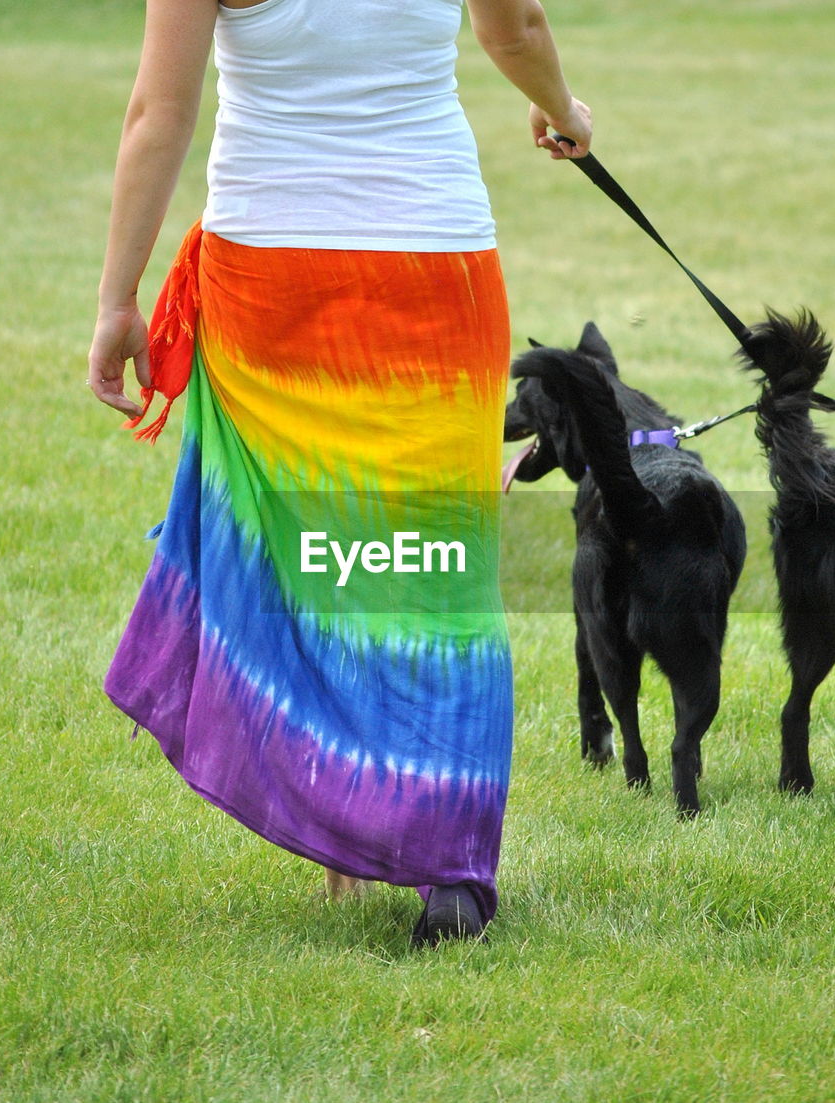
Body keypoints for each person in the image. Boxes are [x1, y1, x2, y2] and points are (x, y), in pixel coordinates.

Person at [87, 0, 591, 947]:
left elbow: (159, 110)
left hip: (269, 270)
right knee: (436, 566)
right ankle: (447, 864)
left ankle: (348, 825)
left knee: (309, 551)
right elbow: (513, 26)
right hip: (435, 262)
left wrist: (118, 299)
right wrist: (563, 109)